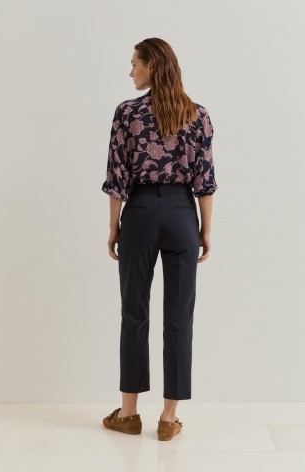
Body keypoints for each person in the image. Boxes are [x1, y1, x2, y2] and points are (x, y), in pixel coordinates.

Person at [101, 38, 217, 440]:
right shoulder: (197, 115)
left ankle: (129, 413)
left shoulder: (127, 113)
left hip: (140, 212)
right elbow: (205, 180)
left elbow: (117, 177)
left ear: (152, 66)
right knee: (179, 317)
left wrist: (114, 227)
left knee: (134, 311)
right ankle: (168, 419)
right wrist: (205, 230)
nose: (130, 71)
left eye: (135, 63)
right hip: (183, 214)